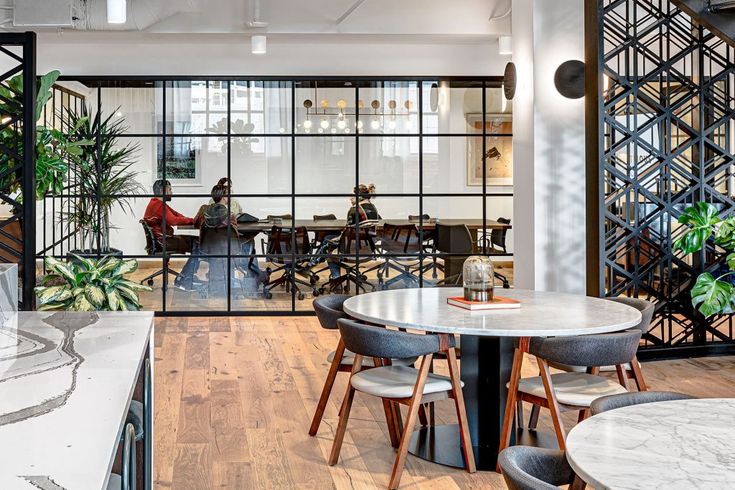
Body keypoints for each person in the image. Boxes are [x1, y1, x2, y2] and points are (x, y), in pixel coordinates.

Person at [195, 184, 267, 286]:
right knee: (250, 243)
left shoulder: (203, 210)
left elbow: (196, 223)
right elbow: (235, 234)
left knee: (244, 243)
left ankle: (255, 275)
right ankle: (254, 277)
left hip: (209, 249)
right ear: (224, 198)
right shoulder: (230, 215)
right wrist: (253, 234)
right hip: (227, 249)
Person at [143, 179, 200, 290]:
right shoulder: (159, 205)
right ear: (163, 191)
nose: (172, 192)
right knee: (198, 243)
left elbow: (176, 214)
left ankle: (187, 276)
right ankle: (185, 279)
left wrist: (190, 220)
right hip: (164, 242)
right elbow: (173, 221)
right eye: (170, 189)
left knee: (196, 241)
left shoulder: (156, 203)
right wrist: (193, 221)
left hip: (161, 241)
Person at [325, 184, 382, 282]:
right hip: (368, 248)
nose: (350, 198)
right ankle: (314, 261)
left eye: (352, 196)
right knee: (330, 238)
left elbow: (348, 231)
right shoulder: (374, 209)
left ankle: (336, 278)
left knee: (327, 240)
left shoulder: (355, 210)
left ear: (359, 197)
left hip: (352, 249)